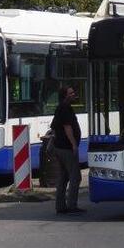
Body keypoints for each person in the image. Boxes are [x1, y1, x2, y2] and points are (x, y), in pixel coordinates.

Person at [50, 85, 83, 215]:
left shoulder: (60, 108)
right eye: (71, 93)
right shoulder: (65, 108)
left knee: (63, 177)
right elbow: (67, 127)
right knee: (75, 177)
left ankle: (60, 206)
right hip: (66, 148)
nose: (74, 94)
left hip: (59, 147)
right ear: (65, 96)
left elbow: (53, 128)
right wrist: (74, 144)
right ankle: (72, 205)